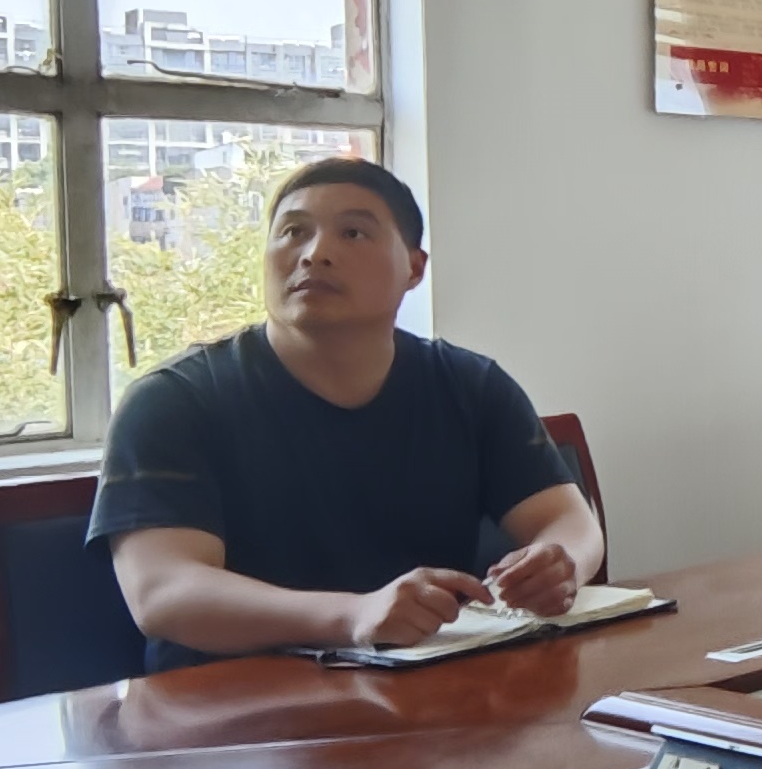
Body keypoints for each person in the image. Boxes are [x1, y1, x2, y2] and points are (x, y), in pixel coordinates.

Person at [93, 158, 604, 670]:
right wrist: (354, 616)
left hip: (425, 689)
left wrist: (561, 562)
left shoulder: (470, 386)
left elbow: (568, 520)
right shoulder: (173, 401)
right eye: (293, 232)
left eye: (353, 233)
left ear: (414, 268)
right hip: (231, 702)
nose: (315, 253)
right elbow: (163, 592)